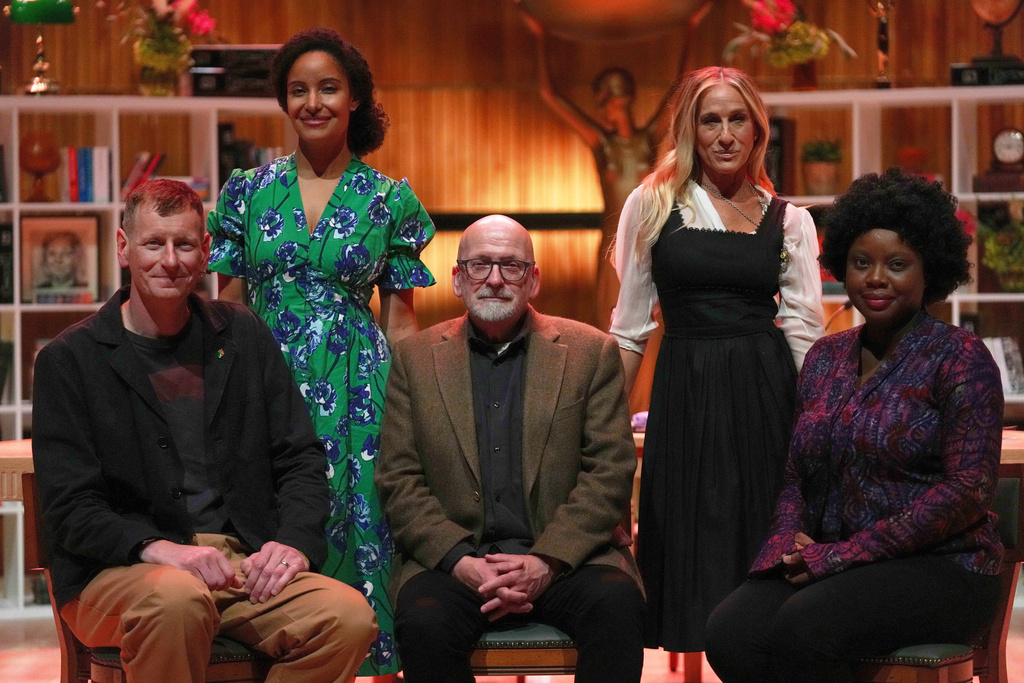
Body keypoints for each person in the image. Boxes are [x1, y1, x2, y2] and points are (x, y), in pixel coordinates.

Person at [31, 179, 378, 683]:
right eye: (154, 243)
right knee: (177, 601)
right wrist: (162, 550)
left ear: (206, 252)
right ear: (124, 249)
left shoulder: (243, 334)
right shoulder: (69, 360)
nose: (170, 260)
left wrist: (295, 543)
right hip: (119, 571)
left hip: (238, 565)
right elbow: (70, 507)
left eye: (184, 244)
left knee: (348, 619)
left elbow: (299, 458)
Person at [705, 167, 1005, 682]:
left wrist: (843, 556)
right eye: (861, 263)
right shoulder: (824, 357)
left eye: (897, 264)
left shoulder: (961, 358)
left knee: (807, 627)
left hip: (946, 568)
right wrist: (786, 543)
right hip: (836, 561)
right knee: (729, 632)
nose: (876, 278)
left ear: (929, 270)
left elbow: (966, 493)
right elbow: (797, 476)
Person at [206, 28, 434, 674]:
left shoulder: (390, 200)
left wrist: (407, 408)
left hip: (359, 392)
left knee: (361, 532)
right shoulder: (246, 192)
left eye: (328, 87)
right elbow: (228, 310)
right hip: (264, 385)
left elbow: (401, 317)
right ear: (283, 100)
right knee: (268, 527)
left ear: (355, 97)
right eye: (299, 89)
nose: (313, 101)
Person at [375, 215, 645, 683]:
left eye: (511, 267)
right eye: (480, 265)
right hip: (458, 560)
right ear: (458, 278)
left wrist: (546, 560)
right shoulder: (413, 360)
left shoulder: (590, 353)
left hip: (566, 560)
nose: (495, 279)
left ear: (533, 279)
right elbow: (398, 478)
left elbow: (610, 470)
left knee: (617, 605)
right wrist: (460, 563)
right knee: (423, 622)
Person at [611, 66, 825, 652]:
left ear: (758, 132)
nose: (726, 134)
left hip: (766, 399)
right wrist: (598, 430)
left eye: (738, 120)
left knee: (762, 557)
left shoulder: (792, 221)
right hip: (684, 398)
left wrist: (821, 430)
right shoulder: (651, 204)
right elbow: (629, 333)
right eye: (711, 120)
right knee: (693, 554)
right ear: (691, 130)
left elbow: (806, 337)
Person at [521, 1, 714, 330]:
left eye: (609, 100)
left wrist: (691, 29)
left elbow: (681, 88)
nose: (608, 108)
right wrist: (541, 38)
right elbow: (549, 94)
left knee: (654, 321)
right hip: (612, 239)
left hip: (651, 236)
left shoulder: (648, 137)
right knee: (609, 322)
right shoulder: (601, 143)